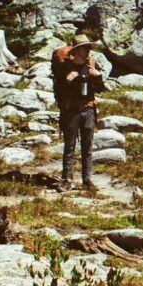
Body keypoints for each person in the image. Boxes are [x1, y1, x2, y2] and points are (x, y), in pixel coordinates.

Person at [51, 34, 106, 190]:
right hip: (71, 111)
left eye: (89, 47)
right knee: (69, 146)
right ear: (76, 50)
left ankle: (87, 181)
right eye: (84, 47)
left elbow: (100, 90)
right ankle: (66, 180)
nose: (88, 50)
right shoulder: (65, 67)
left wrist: (99, 77)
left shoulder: (93, 66)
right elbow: (59, 90)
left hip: (88, 109)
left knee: (87, 147)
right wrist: (67, 80)